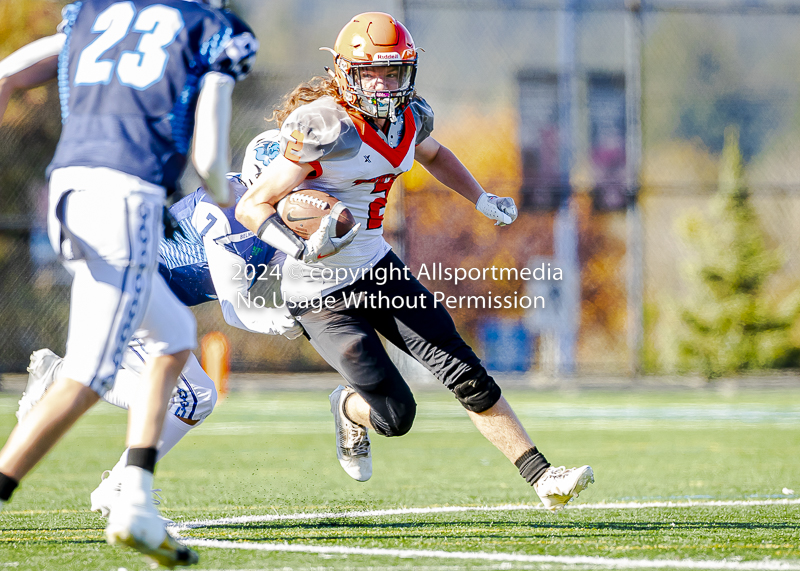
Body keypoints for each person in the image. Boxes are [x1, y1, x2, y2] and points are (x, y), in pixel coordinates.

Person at [235, 12, 594, 511]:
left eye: (393, 71)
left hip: (377, 268)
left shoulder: (410, 119)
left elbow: (436, 154)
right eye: (371, 72)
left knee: (463, 368)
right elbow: (252, 204)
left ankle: (542, 475)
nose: (383, 84)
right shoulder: (324, 126)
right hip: (318, 293)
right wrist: (298, 245)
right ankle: (348, 406)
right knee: (396, 416)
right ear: (345, 72)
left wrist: (480, 197)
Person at [0, 0, 257, 566]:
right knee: (89, 378)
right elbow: (212, 159)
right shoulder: (211, 28)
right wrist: (222, 195)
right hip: (126, 197)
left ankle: (133, 495)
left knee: (175, 337)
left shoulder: (95, 13)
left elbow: (11, 77)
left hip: (70, 191)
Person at [16, 174, 303, 517]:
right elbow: (235, 308)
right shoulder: (229, 212)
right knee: (194, 397)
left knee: (167, 399)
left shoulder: (266, 215)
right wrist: (287, 321)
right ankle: (118, 485)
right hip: (135, 288)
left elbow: (283, 276)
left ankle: (63, 377)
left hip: (145, 293)